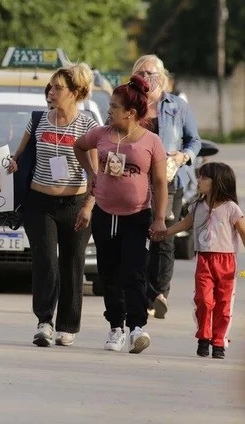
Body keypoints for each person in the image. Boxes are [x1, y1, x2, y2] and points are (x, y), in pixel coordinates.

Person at [73, 74, 168, 354]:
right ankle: (116, 327)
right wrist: (92, 173)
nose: (109, 110)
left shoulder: (151, 141)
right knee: (109, 272)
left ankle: (137, 328)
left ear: (131, 112)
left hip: (137, 216)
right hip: (105, 214)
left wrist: (160, 218)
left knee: (135, 271)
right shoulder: (101, 134)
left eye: (114, 106)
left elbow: (160, 182)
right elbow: (79, 146)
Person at [7, 64, 98, 347]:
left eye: (58, 88)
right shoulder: (38, 120)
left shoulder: (88, 126)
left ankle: (67, 325)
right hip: (40, 203)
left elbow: (96, 174)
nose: (51, 92)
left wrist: (88, 206)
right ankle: (44, 321)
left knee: (72, 264)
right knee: (46, 262)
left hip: (75, 204)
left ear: (75, 92)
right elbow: (18, 156)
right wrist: (11, 164)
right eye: (51, 87)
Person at [155, 162, 244, 359]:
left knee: (224, 303)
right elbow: (184, 224)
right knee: (203, 300)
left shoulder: (231, 208)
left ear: (217, 182)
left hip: (226, 261)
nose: (199, 181)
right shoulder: (196, 206)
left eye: (204, 178)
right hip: (204, 260)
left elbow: (243, 231)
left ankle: (219, 342)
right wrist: (164, 233)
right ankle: (204, 337)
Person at [135, 55, 201, 320]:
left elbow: (194, 141)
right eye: (141, 73)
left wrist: (183, 156)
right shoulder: (130, 102)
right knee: (136, 236)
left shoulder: (177, 106)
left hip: (169, 181)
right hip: (134, 180)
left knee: (163, 235)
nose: (145, 78)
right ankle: (143, 293)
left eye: (150, 74)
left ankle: (160, 293)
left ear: (161, 77)